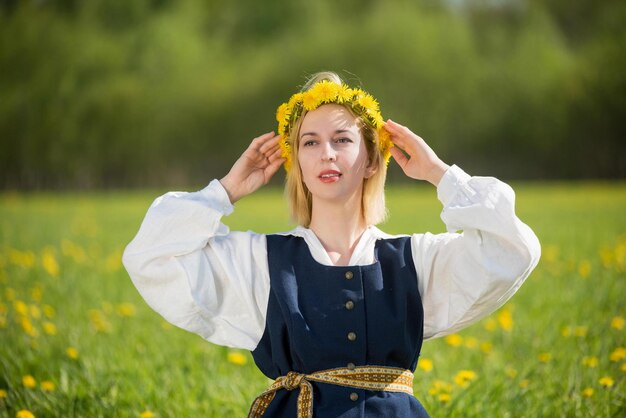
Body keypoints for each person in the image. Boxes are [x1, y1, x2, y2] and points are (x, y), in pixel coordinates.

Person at [123, 71, 541, 417]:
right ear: (296, 162)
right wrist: (226, 190)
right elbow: (151, 257)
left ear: (372, 159)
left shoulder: (415, 259)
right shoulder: (261, 262)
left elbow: (512, 249)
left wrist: (440, 174)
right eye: (310, 142)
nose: (327, 154)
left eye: (342, 139)